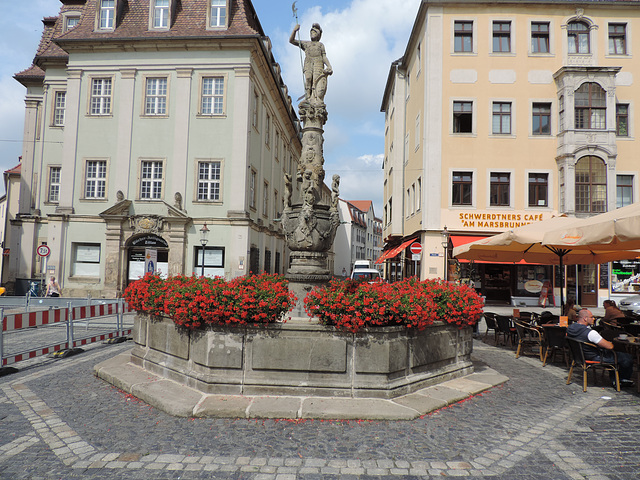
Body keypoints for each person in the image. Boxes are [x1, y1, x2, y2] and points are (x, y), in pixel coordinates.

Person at [567, 309, 634, 388]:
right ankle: (622, 380)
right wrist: (610, 342)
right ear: (585, 318)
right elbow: (610, 346)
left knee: (613, 355)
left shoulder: (570, 328)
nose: (594, 319)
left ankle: (616, 379)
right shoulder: (591, 333)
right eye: (591, 317)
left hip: (579, 356)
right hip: (594, 357)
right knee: (626, 357)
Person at [289, 23, 333, 103]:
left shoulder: (320, 45)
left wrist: (329, 66)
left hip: (318, 62)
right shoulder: (306, 43)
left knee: (316, 80)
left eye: (315, 33)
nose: (312, 34)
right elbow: (291, 40)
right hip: (308, 62)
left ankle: (315, 97)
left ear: (319, 35)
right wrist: (295, 30)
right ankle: (308, 96)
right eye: (311, 32)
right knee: (308, 78)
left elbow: (324, 57)